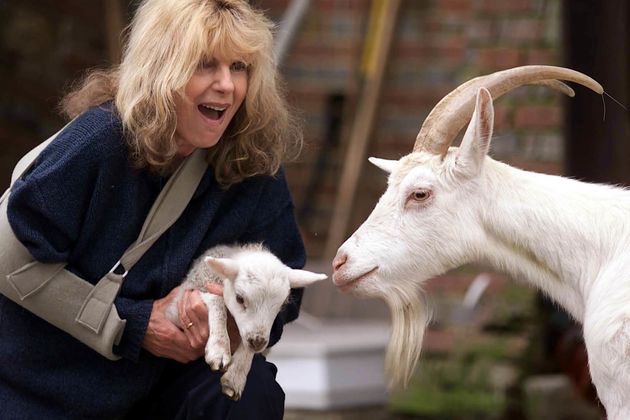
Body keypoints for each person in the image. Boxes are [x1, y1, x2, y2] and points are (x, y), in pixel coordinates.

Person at [0, 0, 306, 419]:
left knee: (248, 394)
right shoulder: (99, 140)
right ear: (164, 68)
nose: (227, 85)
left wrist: (229, 315)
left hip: (157, 388)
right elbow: (6, 259)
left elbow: (286, 289)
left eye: (239, 67)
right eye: (205, 65)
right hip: (43, 387)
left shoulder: (253, 163)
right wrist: (134, 325)